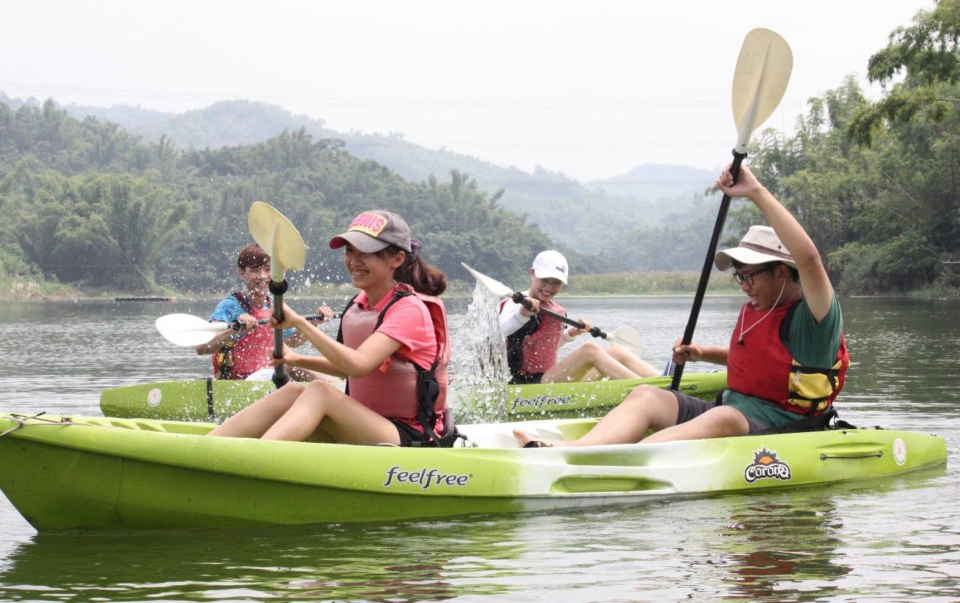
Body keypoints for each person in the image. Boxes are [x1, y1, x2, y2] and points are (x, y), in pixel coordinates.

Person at [515, 163, 849, 447]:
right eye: (739, 277)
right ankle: (574, 450)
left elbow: (808, 258)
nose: (744, 286)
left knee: (726, 417)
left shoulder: (816, 318)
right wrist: (703, 353)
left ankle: (616, 459)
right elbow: (760, 361)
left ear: (780, 272)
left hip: (785, 428)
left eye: (750, 276)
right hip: (733, 413)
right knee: (647, 395)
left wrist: (756, 192)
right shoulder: (758, 310)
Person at [209, 210, 454, 447]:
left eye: (366, 253)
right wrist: (296, 359)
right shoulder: (360, 305)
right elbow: (346, 369)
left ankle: (252, 459)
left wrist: (300, 323)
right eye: (350, 251)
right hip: (368, 423)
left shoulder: (408, 309)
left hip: (411, 435)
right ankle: (208, 446)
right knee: (294, 390)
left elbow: (356, 366)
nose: (354, 260)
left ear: (397, 259)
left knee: (320, 392)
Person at [500, 249, 659, 385]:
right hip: (525, 385)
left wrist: (570, 334)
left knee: (617, 351)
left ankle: (668, 385)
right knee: (590, 350)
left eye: (556, 282)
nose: (549, 287)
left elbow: (543, 347)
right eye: (544, 280)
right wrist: (521, 315)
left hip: (549, 379)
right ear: (532, 273)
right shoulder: (516, 304)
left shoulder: (552, 308)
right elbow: (497, 333)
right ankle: (649, 393)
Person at [195, 243, 324, 381]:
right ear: (242, 273)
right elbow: (202, 348)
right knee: (293, 367)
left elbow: (292, 341)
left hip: (267, 377)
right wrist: (234, 330)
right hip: (236, 382)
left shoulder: (275, 305)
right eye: (255, 270)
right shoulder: (229, 306)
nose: (262, 276)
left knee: (302, 366)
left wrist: (313, 324)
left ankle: (335, 389)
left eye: (268, 269)